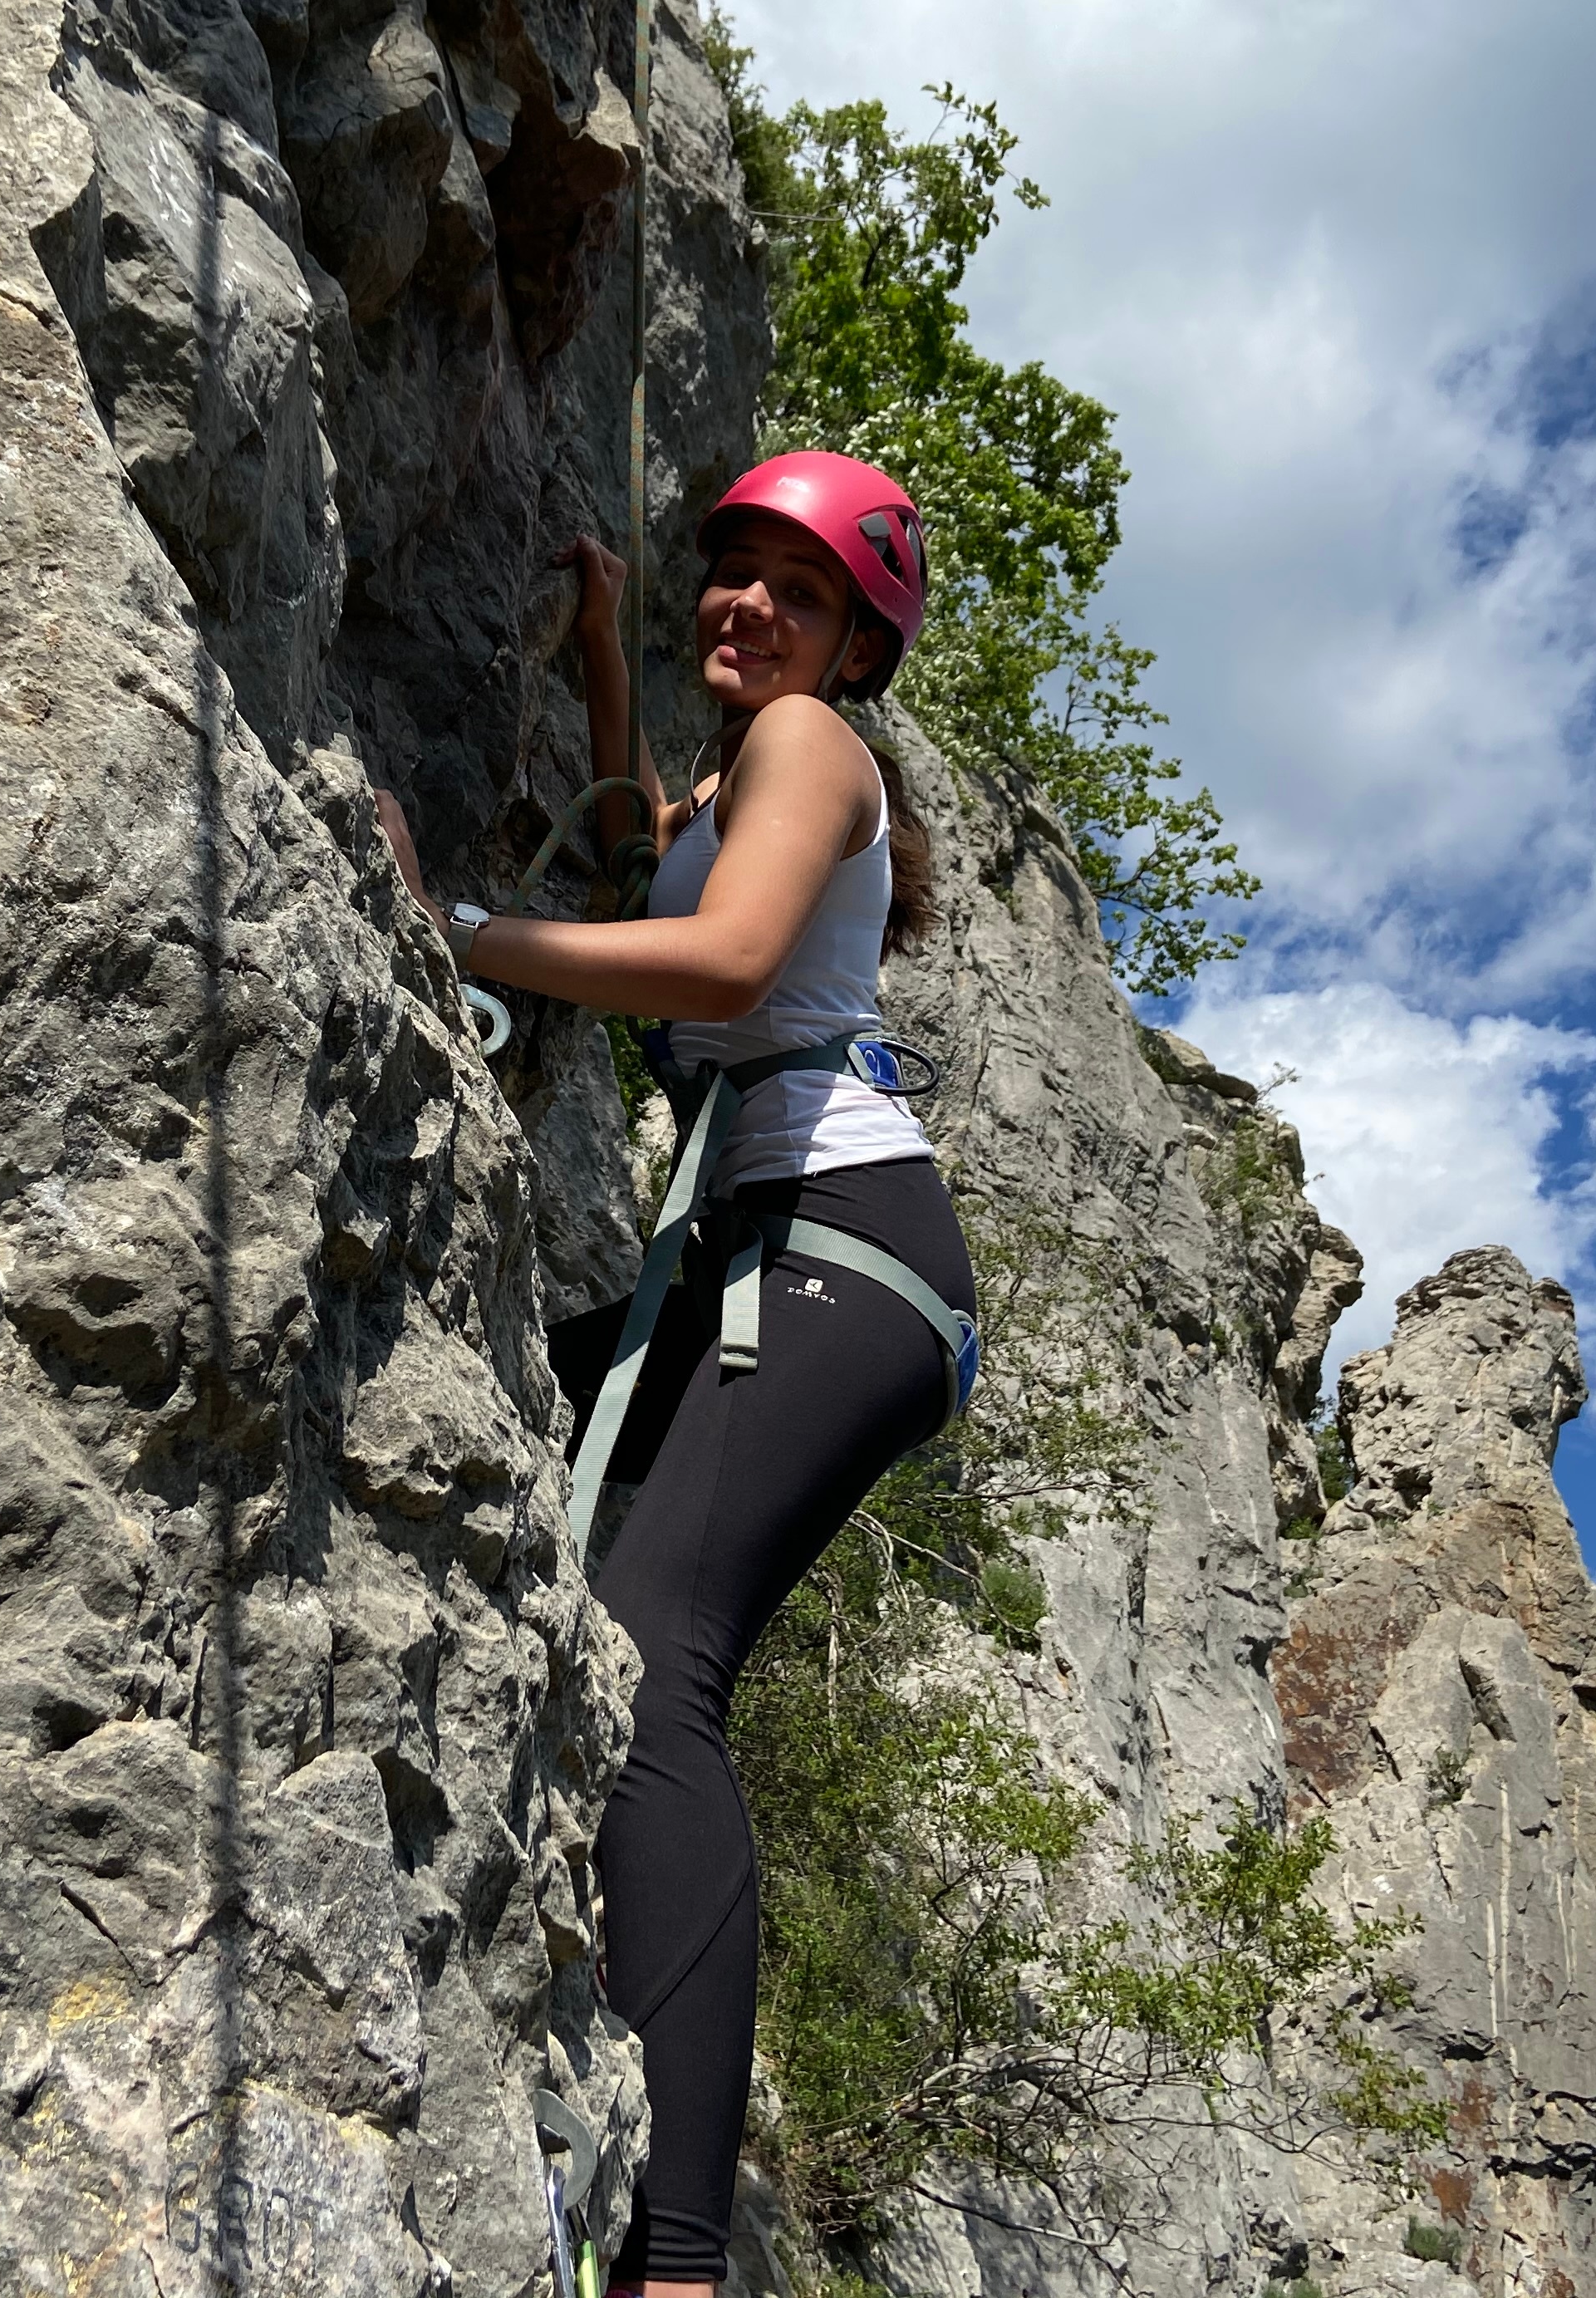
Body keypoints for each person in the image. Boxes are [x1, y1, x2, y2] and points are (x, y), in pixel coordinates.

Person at [375, 452, 973, 2298]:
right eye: (730, 575)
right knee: (480, 1440)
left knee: (651, 1666)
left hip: (837, 1248)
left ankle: (683, 2264)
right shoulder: (742, 770)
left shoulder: (816, 752)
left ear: (856, 638)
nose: (749, 607)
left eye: (793, 592)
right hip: (760, 1257)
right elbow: (654, 858)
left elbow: (709, 955)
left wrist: (447, 931)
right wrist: (614, 663)